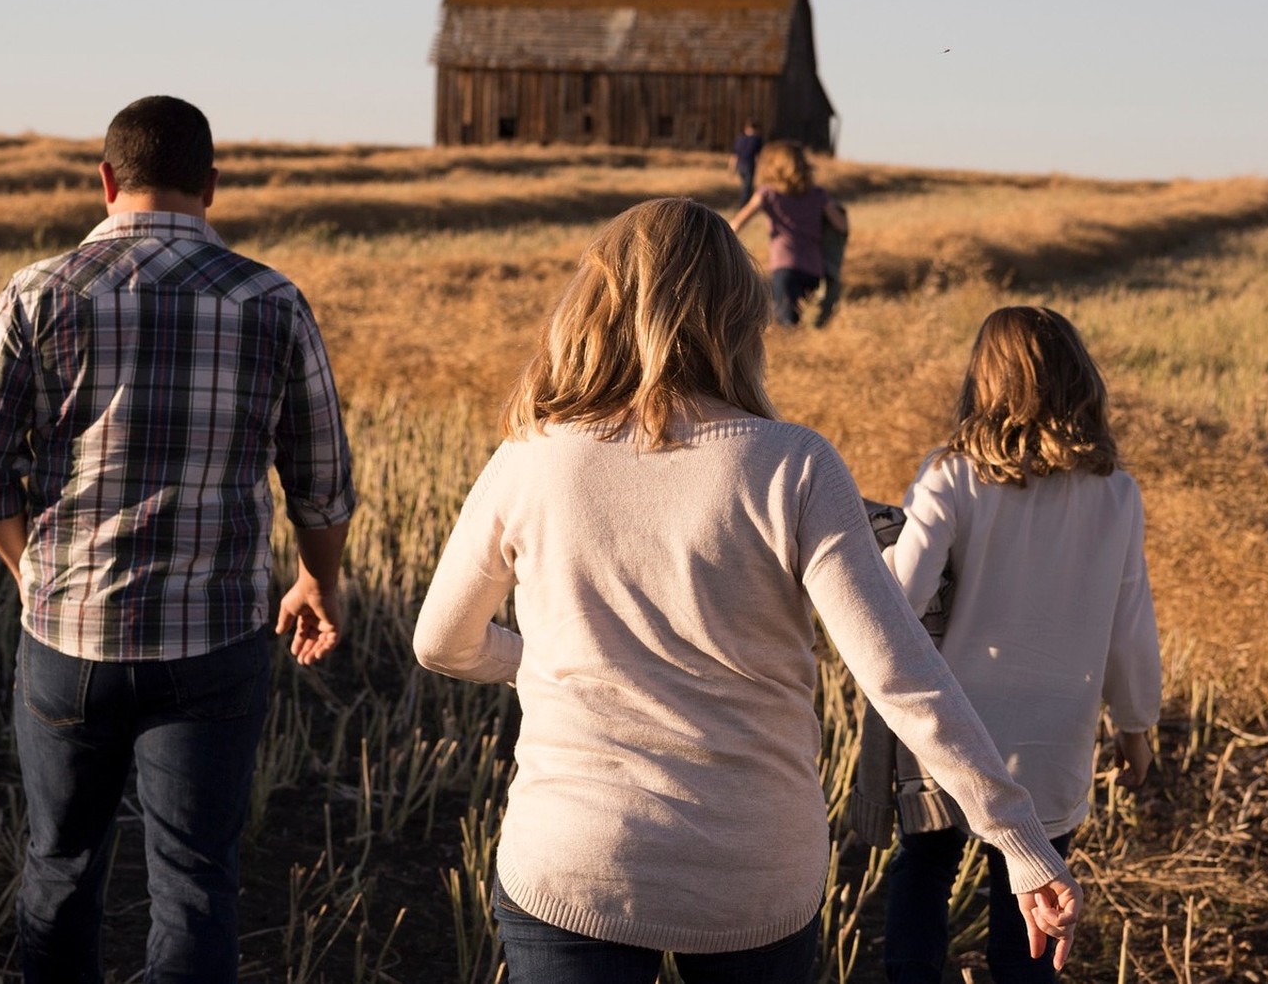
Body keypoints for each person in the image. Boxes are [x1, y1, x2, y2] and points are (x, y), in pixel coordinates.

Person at [412, 199, 1081, 984]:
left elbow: (441, 643)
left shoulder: (531, 455)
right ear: (739, 314)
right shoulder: (794, 465)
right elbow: (899, 676)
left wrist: (540, 659)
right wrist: (1017, 841)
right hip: (753, 874)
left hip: (575, 861)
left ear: (594, 304)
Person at [0, 95, 356, 983]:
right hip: (214, 642)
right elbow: (321, 482)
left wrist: (31, 574)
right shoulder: (271, 300)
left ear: (105, 180)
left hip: (68, 637)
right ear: (213, 186)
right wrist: (316, 581)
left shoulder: (36, 291)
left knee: (60, 865)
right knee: (198, 882)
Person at [874, 305, 1161, 984]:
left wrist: (870, 542)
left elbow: (900, 596)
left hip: (956, 724)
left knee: (924, 868)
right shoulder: (1116, 492)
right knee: (1032, 895)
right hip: (1056, 729)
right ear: (1081, 381)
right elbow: (1130, 622)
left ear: (985, 380)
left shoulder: (952, 473)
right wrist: (1136, 726)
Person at [729, 140, 848, 327]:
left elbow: (736, 224)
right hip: (814, 270)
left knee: (785, 327)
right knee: (806, 323)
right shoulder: (818, 195)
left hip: (785, 267)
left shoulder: (768, 194)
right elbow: (841, 226)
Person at [729, 119, 764, 204]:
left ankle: (749, 202)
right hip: (749, 165)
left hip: (740, 166)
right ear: (756, 129)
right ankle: (743, 205)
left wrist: (731, 170)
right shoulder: (757, 140)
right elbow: (759, 156)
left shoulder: (739, 139)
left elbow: (734, 156)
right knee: (747, 188)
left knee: (746, 186)